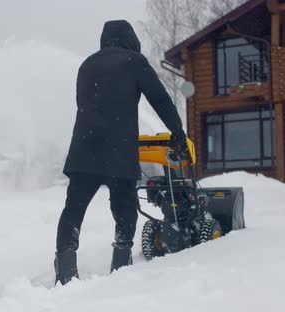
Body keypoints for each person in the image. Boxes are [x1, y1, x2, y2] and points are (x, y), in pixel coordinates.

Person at [55, 20, 188, 285]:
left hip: (84, 148)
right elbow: (160, 99)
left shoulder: (87, 65)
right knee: (125, 207)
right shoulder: (134, 62)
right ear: (131, 39)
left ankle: (66, 268)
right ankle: (120, 264)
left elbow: (85, 103)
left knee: (74, 208)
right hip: (118, 150)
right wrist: (177, 132)